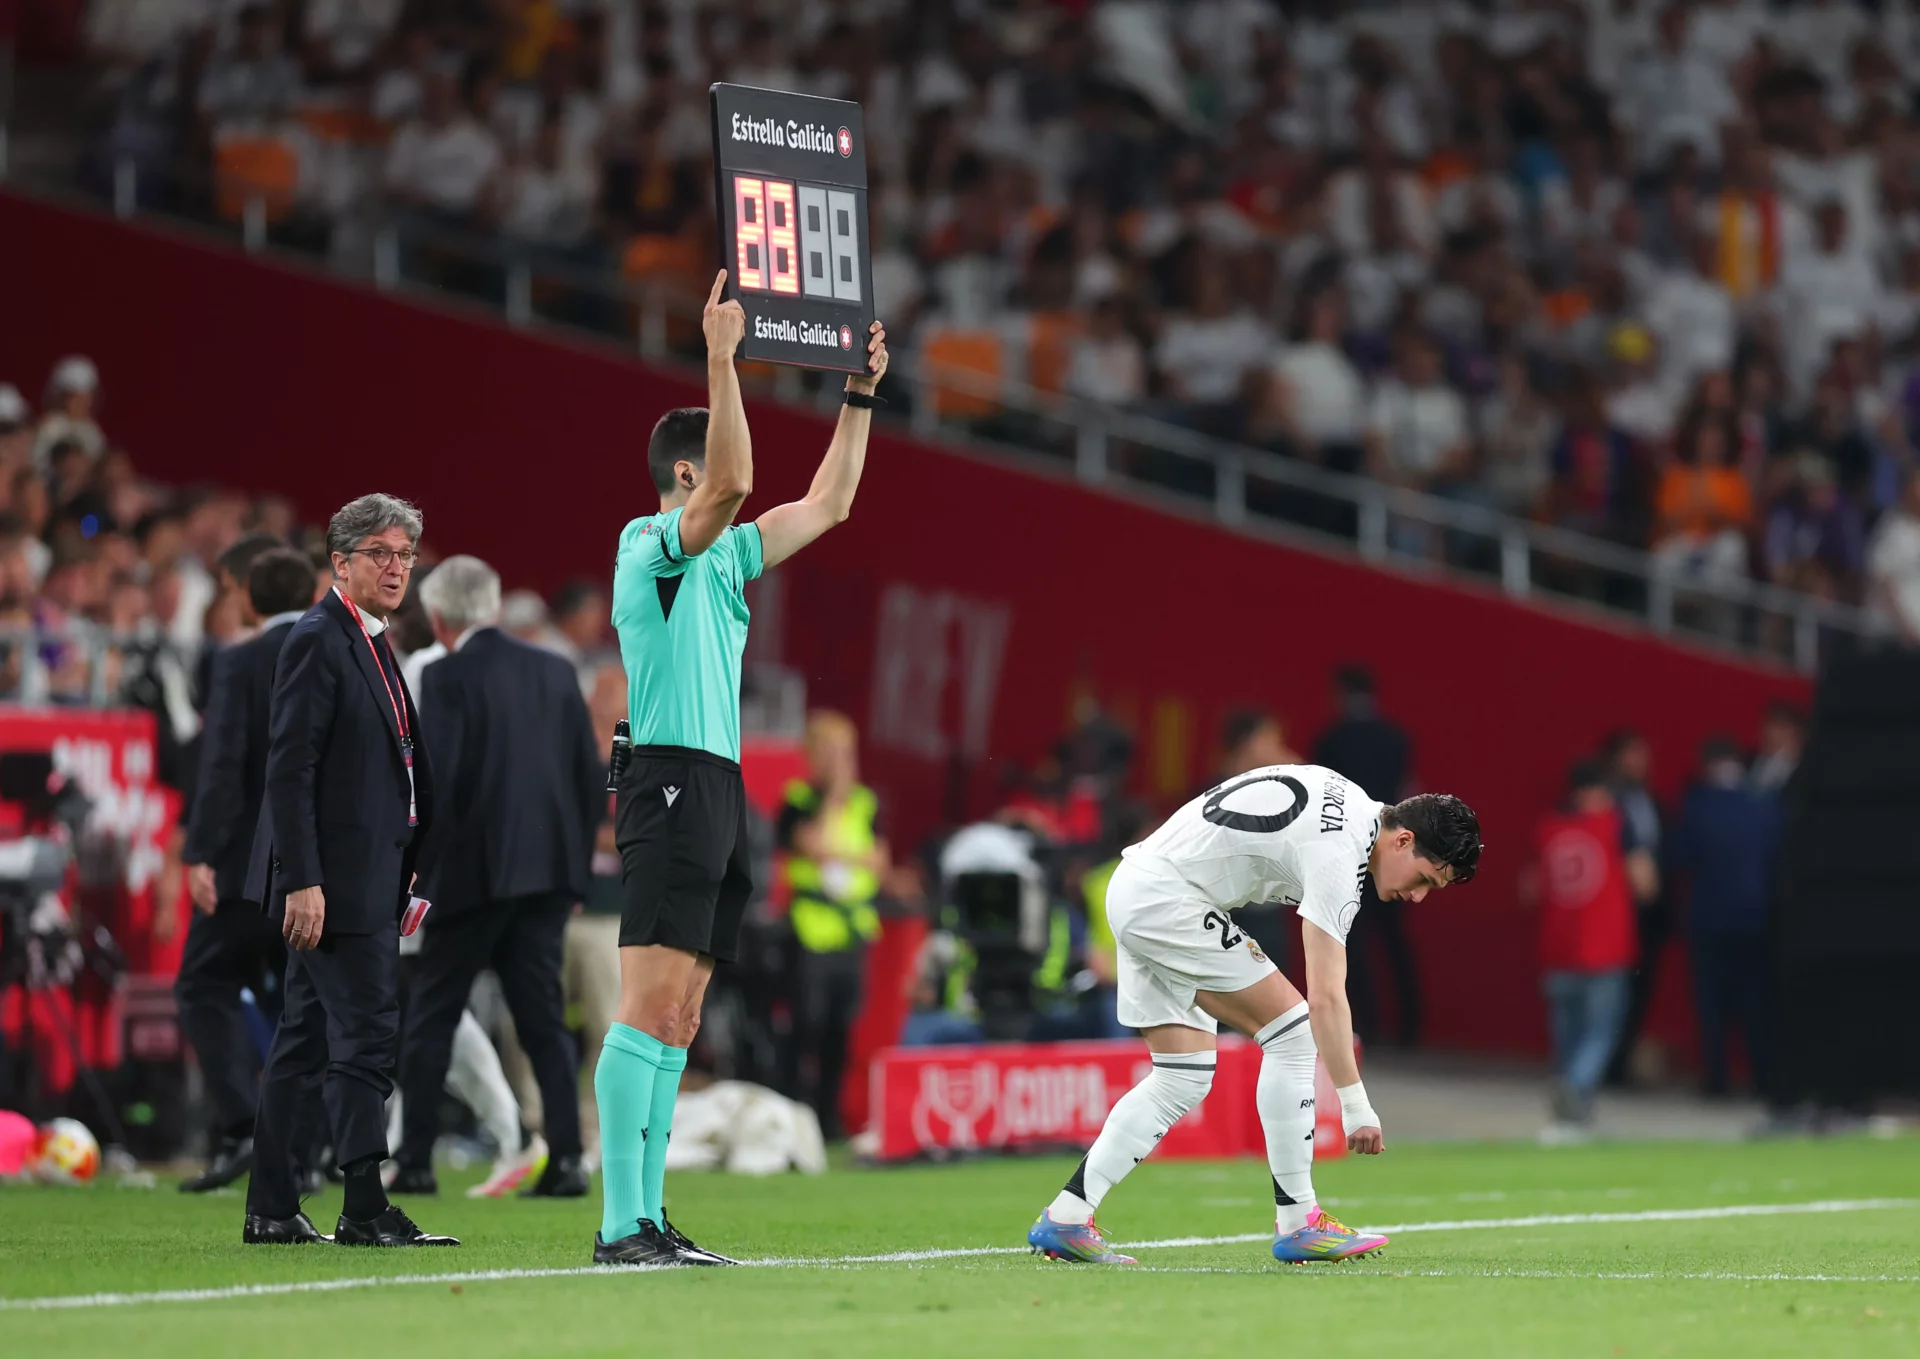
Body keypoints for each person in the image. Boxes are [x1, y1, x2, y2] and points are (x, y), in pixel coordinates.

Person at [594, 271, 887, 1267]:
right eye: (715, 462)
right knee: (648, 1003)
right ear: (685, 473)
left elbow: (831, 503)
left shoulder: (727, 557)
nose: (729, 476)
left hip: (718, 787)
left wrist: (859, 396)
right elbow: (732, 486)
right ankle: (618, 1222)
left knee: (682, 1013)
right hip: (669, 774)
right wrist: (721, 358)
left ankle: (649, 1214)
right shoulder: (651, 544)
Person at [1025, 769, 1480, 1265]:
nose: (1418, 896)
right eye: (1424, 879)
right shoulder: (1341, 851)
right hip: (1169, 900)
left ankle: (1067, 1216)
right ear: (1404, 840)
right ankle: (1300, 1222)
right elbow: (1327, 996)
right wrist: (1356, 1106)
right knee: (1293, 1034)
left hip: (1137, 885)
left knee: (1181, 1075)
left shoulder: (1347, 798)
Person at [241, 493, 455, 1248]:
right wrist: (303, 879)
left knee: (303, 1042)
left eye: (406, 555)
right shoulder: (318, 637)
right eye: (381, 554)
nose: (397, 567)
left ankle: (272, 1207)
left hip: (364, 877)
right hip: (333, 885)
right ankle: (364, 1207)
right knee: (365, 1035)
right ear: (340, 562)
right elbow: (290, 768)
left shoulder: (368, 638)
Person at [395, 554, 602, 1198]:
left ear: (437, 616)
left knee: (432, 1016)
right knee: (543, 1021)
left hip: (471, 877)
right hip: (545, 880)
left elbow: (441, 783)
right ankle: (567, 1159)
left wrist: (418, 870)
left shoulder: (446, 676)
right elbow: (587, 778)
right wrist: (572, 876)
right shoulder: (556, 669)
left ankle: (415, 1161)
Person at [175, 548, 317, 1193]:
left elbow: (223, 765)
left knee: (203, 985)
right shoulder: (339, 652)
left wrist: (200, 853)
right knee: (305, 1002)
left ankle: (242, 1127)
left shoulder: (238, 661)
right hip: (317, 869)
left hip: (242, 870)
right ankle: (306, 1149)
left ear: (249, 602)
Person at [777, 711, 886, 1140]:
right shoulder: (799, 800)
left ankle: (829, 1119)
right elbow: (810, 845)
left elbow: (879, 860)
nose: (841, 761)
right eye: (832, 752)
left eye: (846, 752)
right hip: (811, 929)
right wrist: (832, 801)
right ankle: (795, 1113)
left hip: (851, 931)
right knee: (807, 1026)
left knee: (841, 1032)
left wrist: (841, 854)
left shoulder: (867, 802)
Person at [1526, 761, 1643, 1137]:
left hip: (1557, 947)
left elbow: (1529, 888)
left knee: (1568, 1035)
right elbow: (1644, 881)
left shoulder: (1548, 828)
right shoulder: (1617, 825)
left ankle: (1574, 1101)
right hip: (1604, 947)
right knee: (1601, 1030)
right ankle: (1576, 1087)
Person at [1668, 736, 1783, 1099]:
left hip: (1709, 918)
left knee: (1711, 1002)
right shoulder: (1765, 804)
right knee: (1755, 1000)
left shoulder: (1698, 805)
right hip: (1755, 917)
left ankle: (1717, 1078)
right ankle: (1762, 1076)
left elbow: (1679, 857)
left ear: (1707, 764)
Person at [1312, 665, 1420, 1047]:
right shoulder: (1396, 738)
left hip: (1350, 853)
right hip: (1394, 850)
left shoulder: (1332, 739)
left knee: (1350, 942)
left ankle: (1365, 1026)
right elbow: (1409, 793)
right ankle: (1410, 1026)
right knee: (1395, 942)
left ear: (1341, 694)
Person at [1600, 728, 1667, 1085]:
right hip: (1613, 911)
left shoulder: (1649, 799)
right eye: (1633, 754)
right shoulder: (1605, 801)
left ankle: (1620, 1061)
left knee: (1640, 989)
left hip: (1648, 914)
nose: (1642, 762)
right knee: (1611, 989)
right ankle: (1604, 1064)